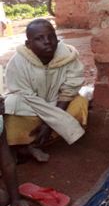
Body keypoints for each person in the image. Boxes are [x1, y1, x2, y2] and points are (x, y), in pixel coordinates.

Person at [3, 19, 88, 163]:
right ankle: (23, 146)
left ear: (57, 38)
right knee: (10, 105)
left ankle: (34, 145)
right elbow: (24, 95)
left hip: (58, 102)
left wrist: (49, 124)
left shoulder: (67, 56)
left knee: (79, 104)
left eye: (51, 36)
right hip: (31, 105)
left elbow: (69, 89)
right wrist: (54, 120)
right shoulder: (18, 62)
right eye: (39, 38)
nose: (47, 41)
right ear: (28, 44)